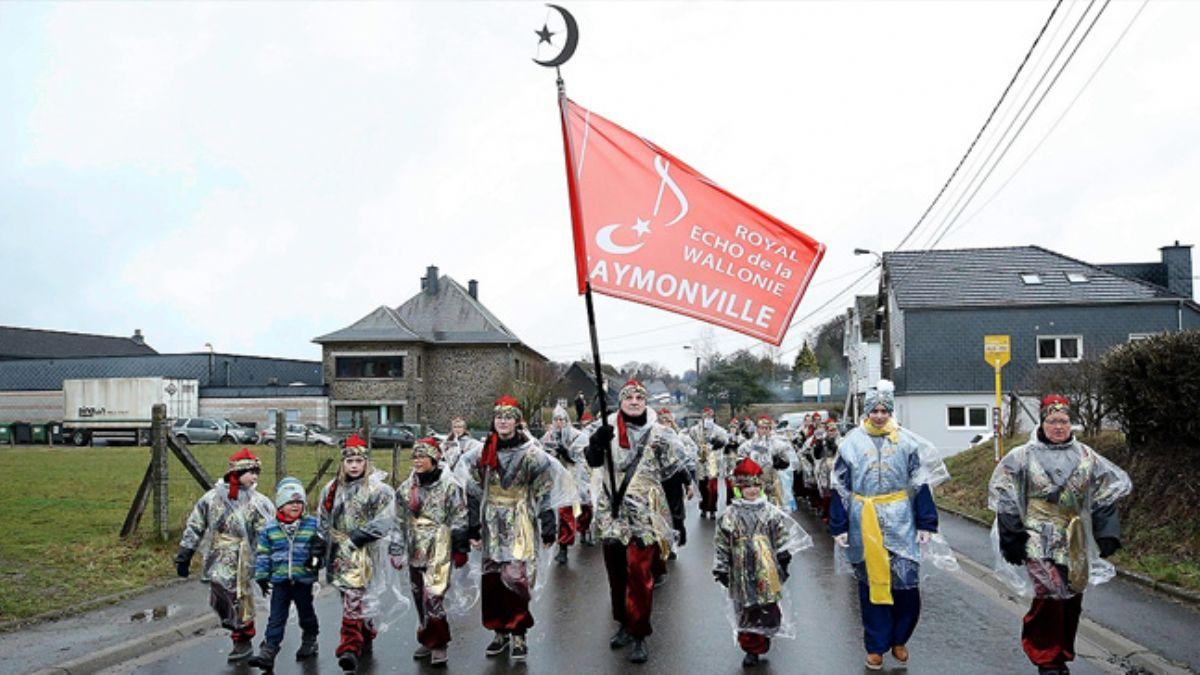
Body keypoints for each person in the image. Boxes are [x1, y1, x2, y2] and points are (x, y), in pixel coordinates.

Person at [989, 395, 1131, 675]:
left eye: (1064, 421)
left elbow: (1104, 493)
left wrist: (1107, 533)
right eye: (1052, 421)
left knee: (1071, 595)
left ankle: (1061, 652)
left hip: (1073, 536)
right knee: (1049, 590)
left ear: (1071, 424)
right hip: (1036, 535)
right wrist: (1012, 537)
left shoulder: (1087, 456)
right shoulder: (1021, 456)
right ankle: (1045, 656)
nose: (1058, 426)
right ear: (1042, 423)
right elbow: (1003, 494)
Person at [829, 380, 948, 671]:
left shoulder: (906, 443)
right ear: (867, 412)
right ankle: (876, 646)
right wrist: (839, 525)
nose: (880, 415)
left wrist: (926, 521)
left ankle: (900, 638)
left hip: (901, 520)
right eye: (875, 410)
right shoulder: (851, 443)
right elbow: (840, 486)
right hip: (863, 520)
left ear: (890, 412)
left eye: (885, 410)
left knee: (906, 585)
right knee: (872, 586)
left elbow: (920, 484)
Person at [580, 380, 684, 664]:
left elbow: (674, 475)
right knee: (616, 573)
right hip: (612, 509)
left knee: (639, 573)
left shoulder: (661, 434)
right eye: (629, 397)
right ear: (621, 401)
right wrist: (596, 443)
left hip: (645, 512)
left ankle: (640, 633)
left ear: (645, 401)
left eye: (640, 397)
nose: (635, 401)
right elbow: (592, 462)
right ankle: (623, 624)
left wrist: (677, 519)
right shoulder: (606, 427)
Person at [458, 395, 562, 663]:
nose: (503, 421)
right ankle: (499, 631)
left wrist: (548, 524)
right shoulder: (480, 453)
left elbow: (545, 491)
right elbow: (471, 491)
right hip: (491, 519)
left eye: (508, 417)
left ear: (517, 421)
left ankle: (518, 632)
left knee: (516, 576)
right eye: (499, 417)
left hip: (520, 519)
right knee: (492, 578)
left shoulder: (532, 454)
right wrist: (472, 527)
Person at [174, 448, 274, 663]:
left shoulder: (259, 502)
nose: (255, 477)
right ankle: (233, 624)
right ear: (236, 473)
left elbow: (268, 532)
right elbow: (196, 524)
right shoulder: (212, 498)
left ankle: (242, 639)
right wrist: (185, 552)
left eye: (257, 472)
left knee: (241, 597)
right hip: (219, 554)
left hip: (245, 558)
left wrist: (269, 560)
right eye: (250, 472)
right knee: (219, 591)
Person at [713, 457, 812, 667]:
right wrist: (721, 567)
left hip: (766, 567)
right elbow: (722, 543)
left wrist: (784, 556)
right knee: (746, 608)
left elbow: (781, 535)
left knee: (767, 605)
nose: (752, 490)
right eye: (747, 486)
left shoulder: (770, 511)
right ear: (739, 488)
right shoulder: (729, 515)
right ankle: (750, 647)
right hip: (740, 567)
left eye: (756, 486)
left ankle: (765, 634)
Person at [317, 433, 396, 673]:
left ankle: (349, 647)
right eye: (349, 462)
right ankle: (364, 632)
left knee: (355, 597)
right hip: (341, 552)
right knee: (349, 598)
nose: (353, 466)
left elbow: (387, 519)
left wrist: (360, 536)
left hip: (365, 551)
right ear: (343, 463)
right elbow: (323, 519)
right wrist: (320, 545)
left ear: (366, 463)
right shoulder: (331, 489)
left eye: (358, 461)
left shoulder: (378, 489)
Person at [390, 437, 470, 668]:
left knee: (433, 596)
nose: (417, 461)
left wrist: (460, 548)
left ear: (434, 458)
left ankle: (439, 643)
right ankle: (427, 635)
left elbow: (459, 517)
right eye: (414, 456)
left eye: (422, 456)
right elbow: (398, 521)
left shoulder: (450, 486)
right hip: (416, 547)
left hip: (440, 546)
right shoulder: (406, 489)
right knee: (419, 596)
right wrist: (396, 549)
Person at [249, 477, 323, 670]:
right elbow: (264, 554)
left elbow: (321, 548)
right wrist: (262, 576)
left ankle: (310, 638)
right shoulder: (270, 528)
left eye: (299, 502)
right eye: (290, 502)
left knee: (306, 614)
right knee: (276, 618)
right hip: (280, 580)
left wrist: (316, 558)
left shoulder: (312, 525)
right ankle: (269, 650)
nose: (295, 506)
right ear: (280, 505)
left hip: (303, 580)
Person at [541, 404, 592, 564]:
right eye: (556, 420)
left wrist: (566, 453)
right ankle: (563, 547)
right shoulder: (548, 437)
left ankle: (584, 531)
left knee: (585, 509)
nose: (559, 422)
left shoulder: (578, 436)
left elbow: (580, 458)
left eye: (562, 419)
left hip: (577, 478)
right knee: (565, 513)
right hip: (560, 482)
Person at [655, 407, 698, 550]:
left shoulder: (680, 438)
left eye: (667, 420)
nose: (664, 424)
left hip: (674, 479)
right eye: (661, 420)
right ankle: (662, 544)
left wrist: (688, 483)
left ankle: (673, 543)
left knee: (675, 513)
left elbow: (682, 461)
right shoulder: (651, 435)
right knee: (658, 513)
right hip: (655, 479)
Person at [735, 414, 792, 508]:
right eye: (761, 428)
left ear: (770, 429)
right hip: (753, 481)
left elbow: (786, 461)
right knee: (755, 508)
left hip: (771, 479)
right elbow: (740, 458)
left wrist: (779, 462)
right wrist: (745, 465)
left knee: (774, 509)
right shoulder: (748, 444)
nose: (764, 431)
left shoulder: (777, 444)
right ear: (757, 429)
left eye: (767, 428)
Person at [687, 407, 730, 519]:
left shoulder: (719, 430)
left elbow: (725, 441)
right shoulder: (694, 429)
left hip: (712, 460)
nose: (708, 418)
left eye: (710, 416)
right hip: (700, 460)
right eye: (706, 416)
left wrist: (716, 443)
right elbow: (689, 441)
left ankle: (712, 509)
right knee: (702, 486)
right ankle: (703, 507)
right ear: (702, 417)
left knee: (712, 487)